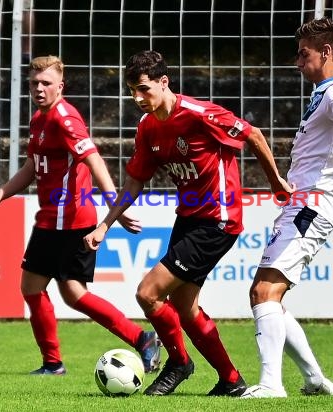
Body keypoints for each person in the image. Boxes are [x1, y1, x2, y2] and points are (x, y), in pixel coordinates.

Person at [84, 50, 295, 396]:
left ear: (164, 82)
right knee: (184, 307)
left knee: (147, 293)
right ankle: (231, 380)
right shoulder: (148, 127)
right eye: (132, 91)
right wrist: (106, 224)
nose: (137, 98)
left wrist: (275, 182)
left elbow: (253, 134)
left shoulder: (200, 114)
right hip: (188, 219)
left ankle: (179, 363)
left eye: (143, 89)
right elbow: (136, 180)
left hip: (218, 220)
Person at [0, 55, 161, 376]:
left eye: (46, 83)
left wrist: (113, 205)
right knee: (43, 289)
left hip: (70, 220)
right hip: (52, 219)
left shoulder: (65, 118)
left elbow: (93, 159)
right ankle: (59, 362)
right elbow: (32, 167)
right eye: (34, 83)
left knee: (67, 292)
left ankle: (138, 340)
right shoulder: (39, 118)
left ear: (60, 86)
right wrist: (0, 194)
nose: (38, 88)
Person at [241, 17, 333, 398]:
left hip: (310, 205)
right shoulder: (324, 91)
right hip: (305, 204)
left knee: (264, 291)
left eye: (304, 54)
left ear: (326, 52)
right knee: (266, 294)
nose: (297, 62)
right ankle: (314, 380)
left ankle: (270, 384)